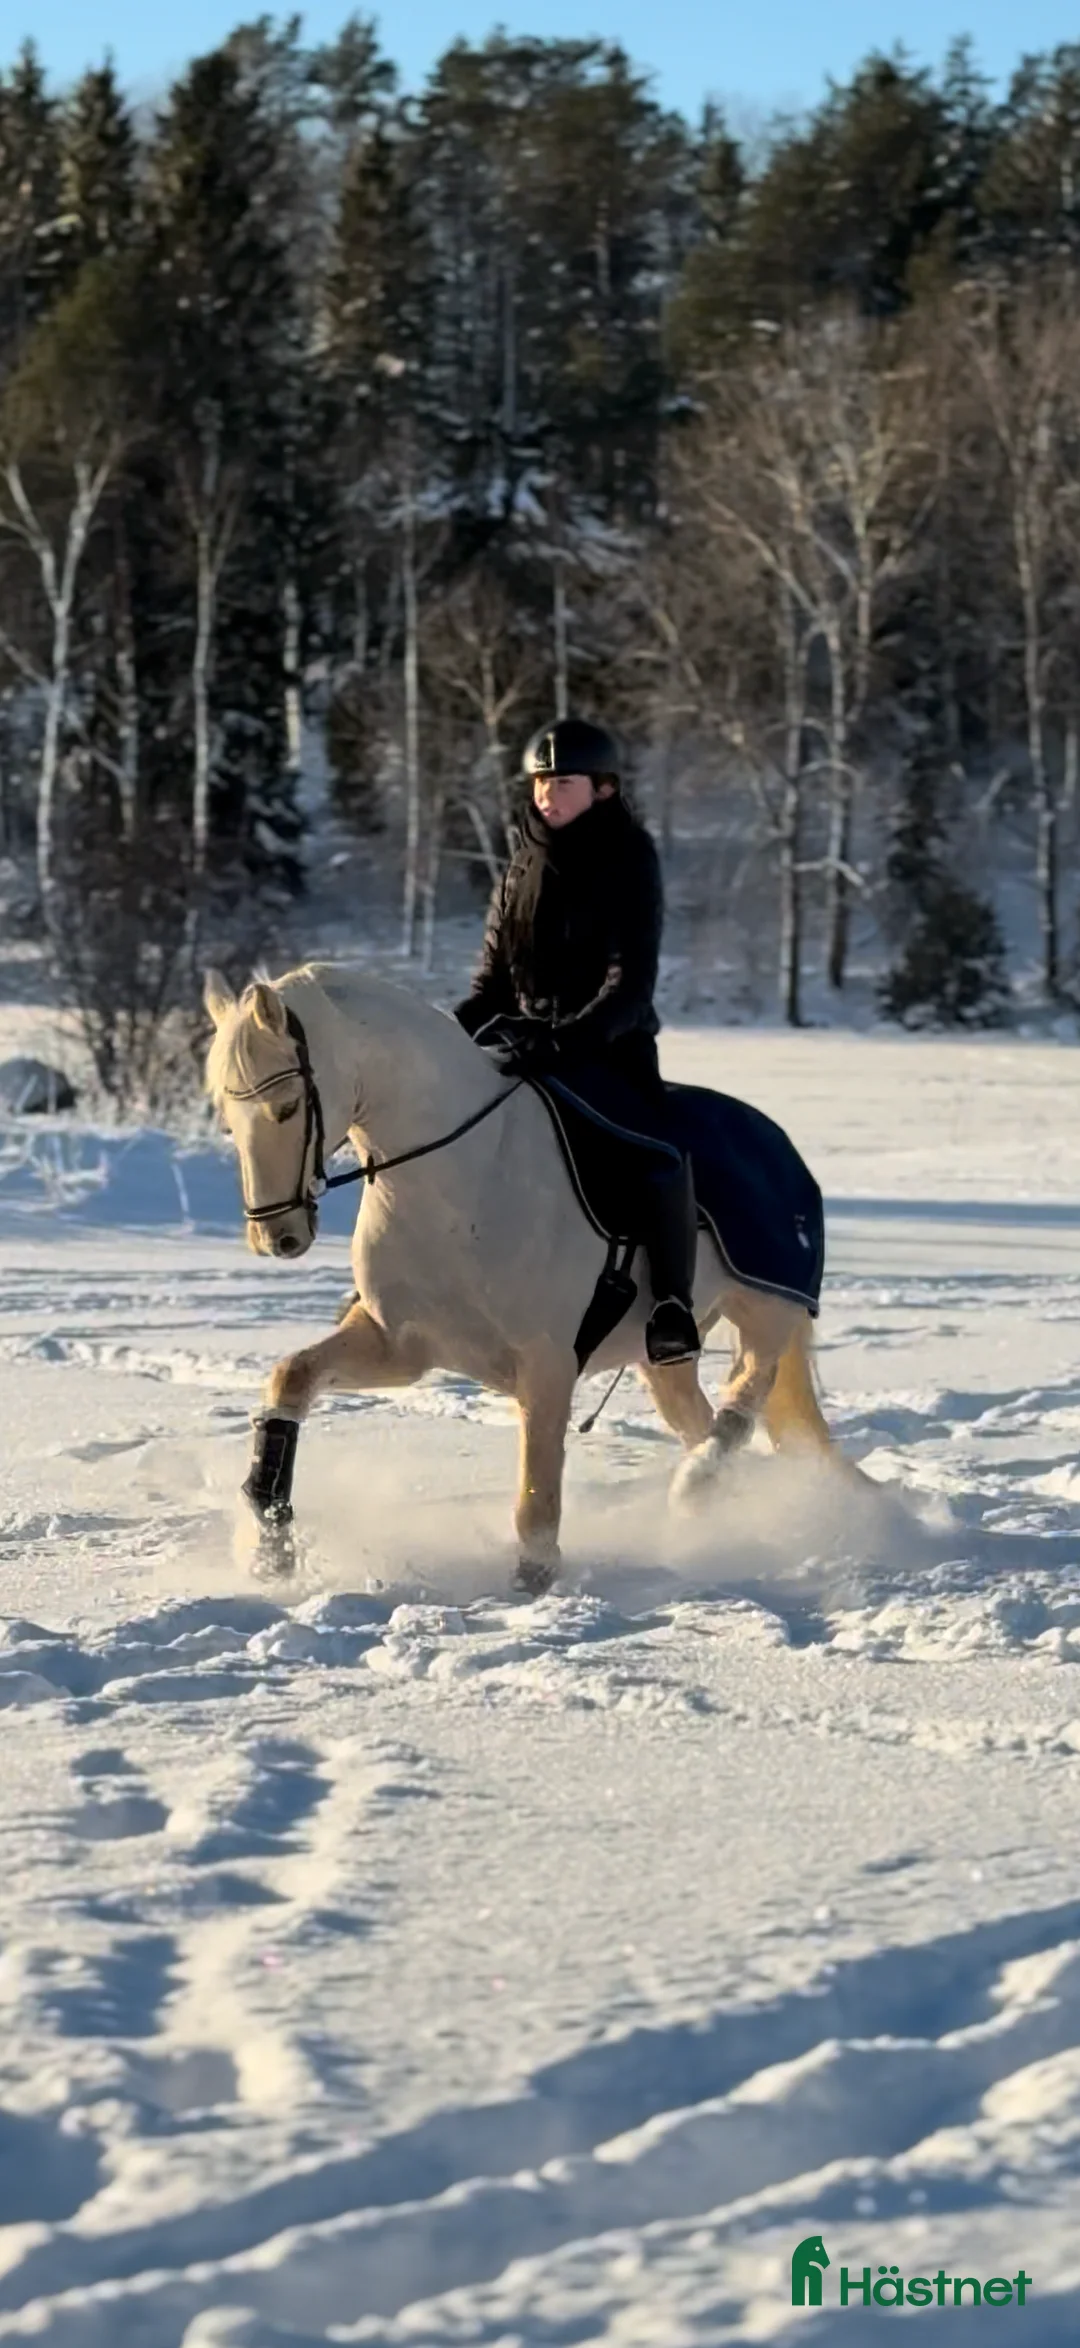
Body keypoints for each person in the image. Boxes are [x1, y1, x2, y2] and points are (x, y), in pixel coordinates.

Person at [455, 716, 701, 1367]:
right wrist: (446, 1040)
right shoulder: (517, 871)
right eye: (540, 782)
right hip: (522, 1047)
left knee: (659, 1157)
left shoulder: (629, 858)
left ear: (603, 788)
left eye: (563, 782)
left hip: (609, 1049)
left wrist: (569, 1040)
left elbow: (631, 983)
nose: (547, 795)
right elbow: (489, 988)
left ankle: (673, 1304)